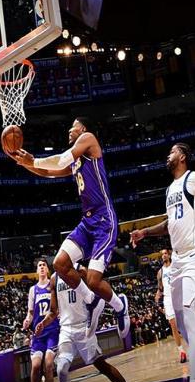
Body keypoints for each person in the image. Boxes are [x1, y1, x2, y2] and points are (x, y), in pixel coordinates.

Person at [9, 117, 129, 339]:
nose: (69, 130)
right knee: (60, 263)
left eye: (72, 126)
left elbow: (62, 159)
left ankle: (119, 305)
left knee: (93, 280)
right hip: (87, 222)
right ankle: (91, 300)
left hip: (104, 220)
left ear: (83, 128)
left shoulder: (88, 139)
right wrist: (24, 162)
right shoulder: (75, 161)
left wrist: (33, 159)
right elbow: (48, 172)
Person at [130, 143, 195, 382]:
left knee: (190, 318)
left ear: (182, 156)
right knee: (180, 323)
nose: (168, 155)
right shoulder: (170, 189)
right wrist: (145, 232)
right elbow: (169, 223)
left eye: (172, 152)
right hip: (177, 260)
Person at [35, 264, 126, 382]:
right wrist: (43, 323)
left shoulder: (80, 270)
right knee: (61, 369)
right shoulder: (54, 278)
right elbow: (52, 312)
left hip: (84, 327)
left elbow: (96, 290)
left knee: (102, 365)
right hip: (66, 329)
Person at [23, 259, 60, 382]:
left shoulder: (53, 285)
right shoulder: (33, 290)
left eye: (44, 265)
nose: (42, 267)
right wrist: (27, 320)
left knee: (48, 364)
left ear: (48, 269)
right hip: (38, 334)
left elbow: (58, 307)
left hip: (52, 331)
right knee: (35, 366)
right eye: (40, 265)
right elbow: (30, 312)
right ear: (37, 270)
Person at [155, 248, 187, 363]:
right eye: (162, 254)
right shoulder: (160, 272)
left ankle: (194, 345)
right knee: (174, 326)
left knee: (184, 324)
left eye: (165, 253)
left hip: (178, 296)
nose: (163, 256)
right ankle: (181, 351)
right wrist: (157, 295)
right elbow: (160, 288)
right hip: (168, 299)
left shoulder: (175, 266)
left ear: (169, 255)